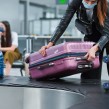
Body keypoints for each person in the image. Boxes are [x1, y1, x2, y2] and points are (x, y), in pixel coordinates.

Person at [39, 0, 109, 80]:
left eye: (93, 1)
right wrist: (50, 44)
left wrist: (95, 48)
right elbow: (63, 23)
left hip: (107, 34)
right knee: (89, 73)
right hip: (91, 35)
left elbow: (107, 33)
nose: (89, 3)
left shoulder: (106, 5)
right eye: (87, 0)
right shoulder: (75, 2)